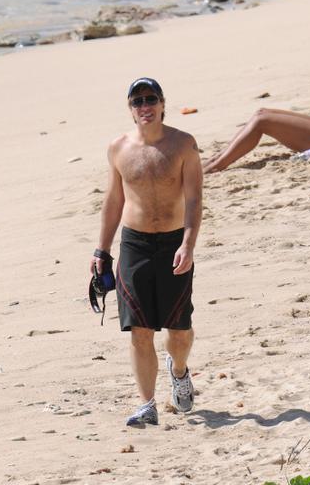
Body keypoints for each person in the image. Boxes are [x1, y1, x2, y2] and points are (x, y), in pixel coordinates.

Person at [91, 77, 203, 427]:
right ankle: (147, 404)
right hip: (135, 245)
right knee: (139, 329)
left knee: (179, 331)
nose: (145, 106)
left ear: (162, 103)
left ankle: (179, 370)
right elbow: (113, 201)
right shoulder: (118, 148)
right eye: (137, 101)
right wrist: (102, 249)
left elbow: (195, 199)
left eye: (150, 99)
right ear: (130, 109)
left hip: (173, 245)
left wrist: (188, 243)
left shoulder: (183, 144)